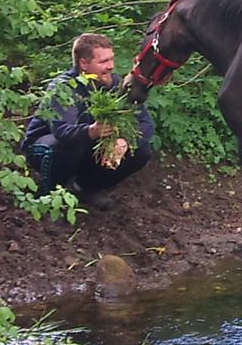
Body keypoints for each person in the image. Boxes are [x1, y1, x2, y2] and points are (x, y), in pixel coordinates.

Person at [20, 33, 154, 211]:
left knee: (142, 151)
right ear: (84, 63)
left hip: (85, 147)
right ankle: (49, 197)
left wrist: (125, 142)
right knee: (68, 144)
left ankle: (83, 189)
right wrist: (92, 131)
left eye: (111, 59)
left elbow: (146, 124)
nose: (111, 66)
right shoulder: (64, 87)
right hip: (43, 146)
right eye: (104, 62)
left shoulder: (115, 84)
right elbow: (62, 132)